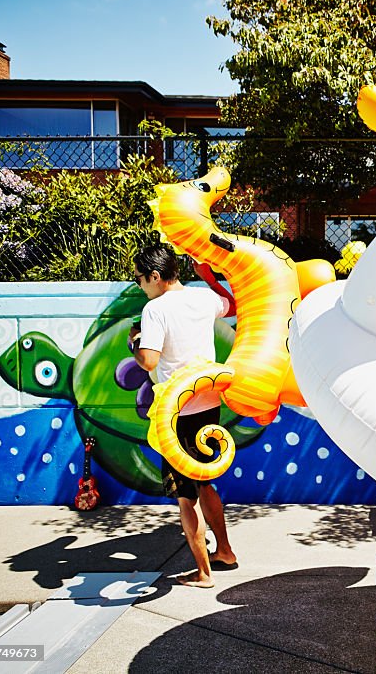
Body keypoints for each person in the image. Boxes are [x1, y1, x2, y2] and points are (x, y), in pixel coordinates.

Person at [130, 244, 238, 588]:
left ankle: (204, 573)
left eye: (140, 280)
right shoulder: (203, 297)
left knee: (184, 496)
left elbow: (148, 360)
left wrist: (134, 341)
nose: (140, 286)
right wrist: (207, 273)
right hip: (208, 403)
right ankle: (224, 552)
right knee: (205, 481)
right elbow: (232, 304)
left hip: (176, 414)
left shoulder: (155, 308)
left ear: (156, 277)